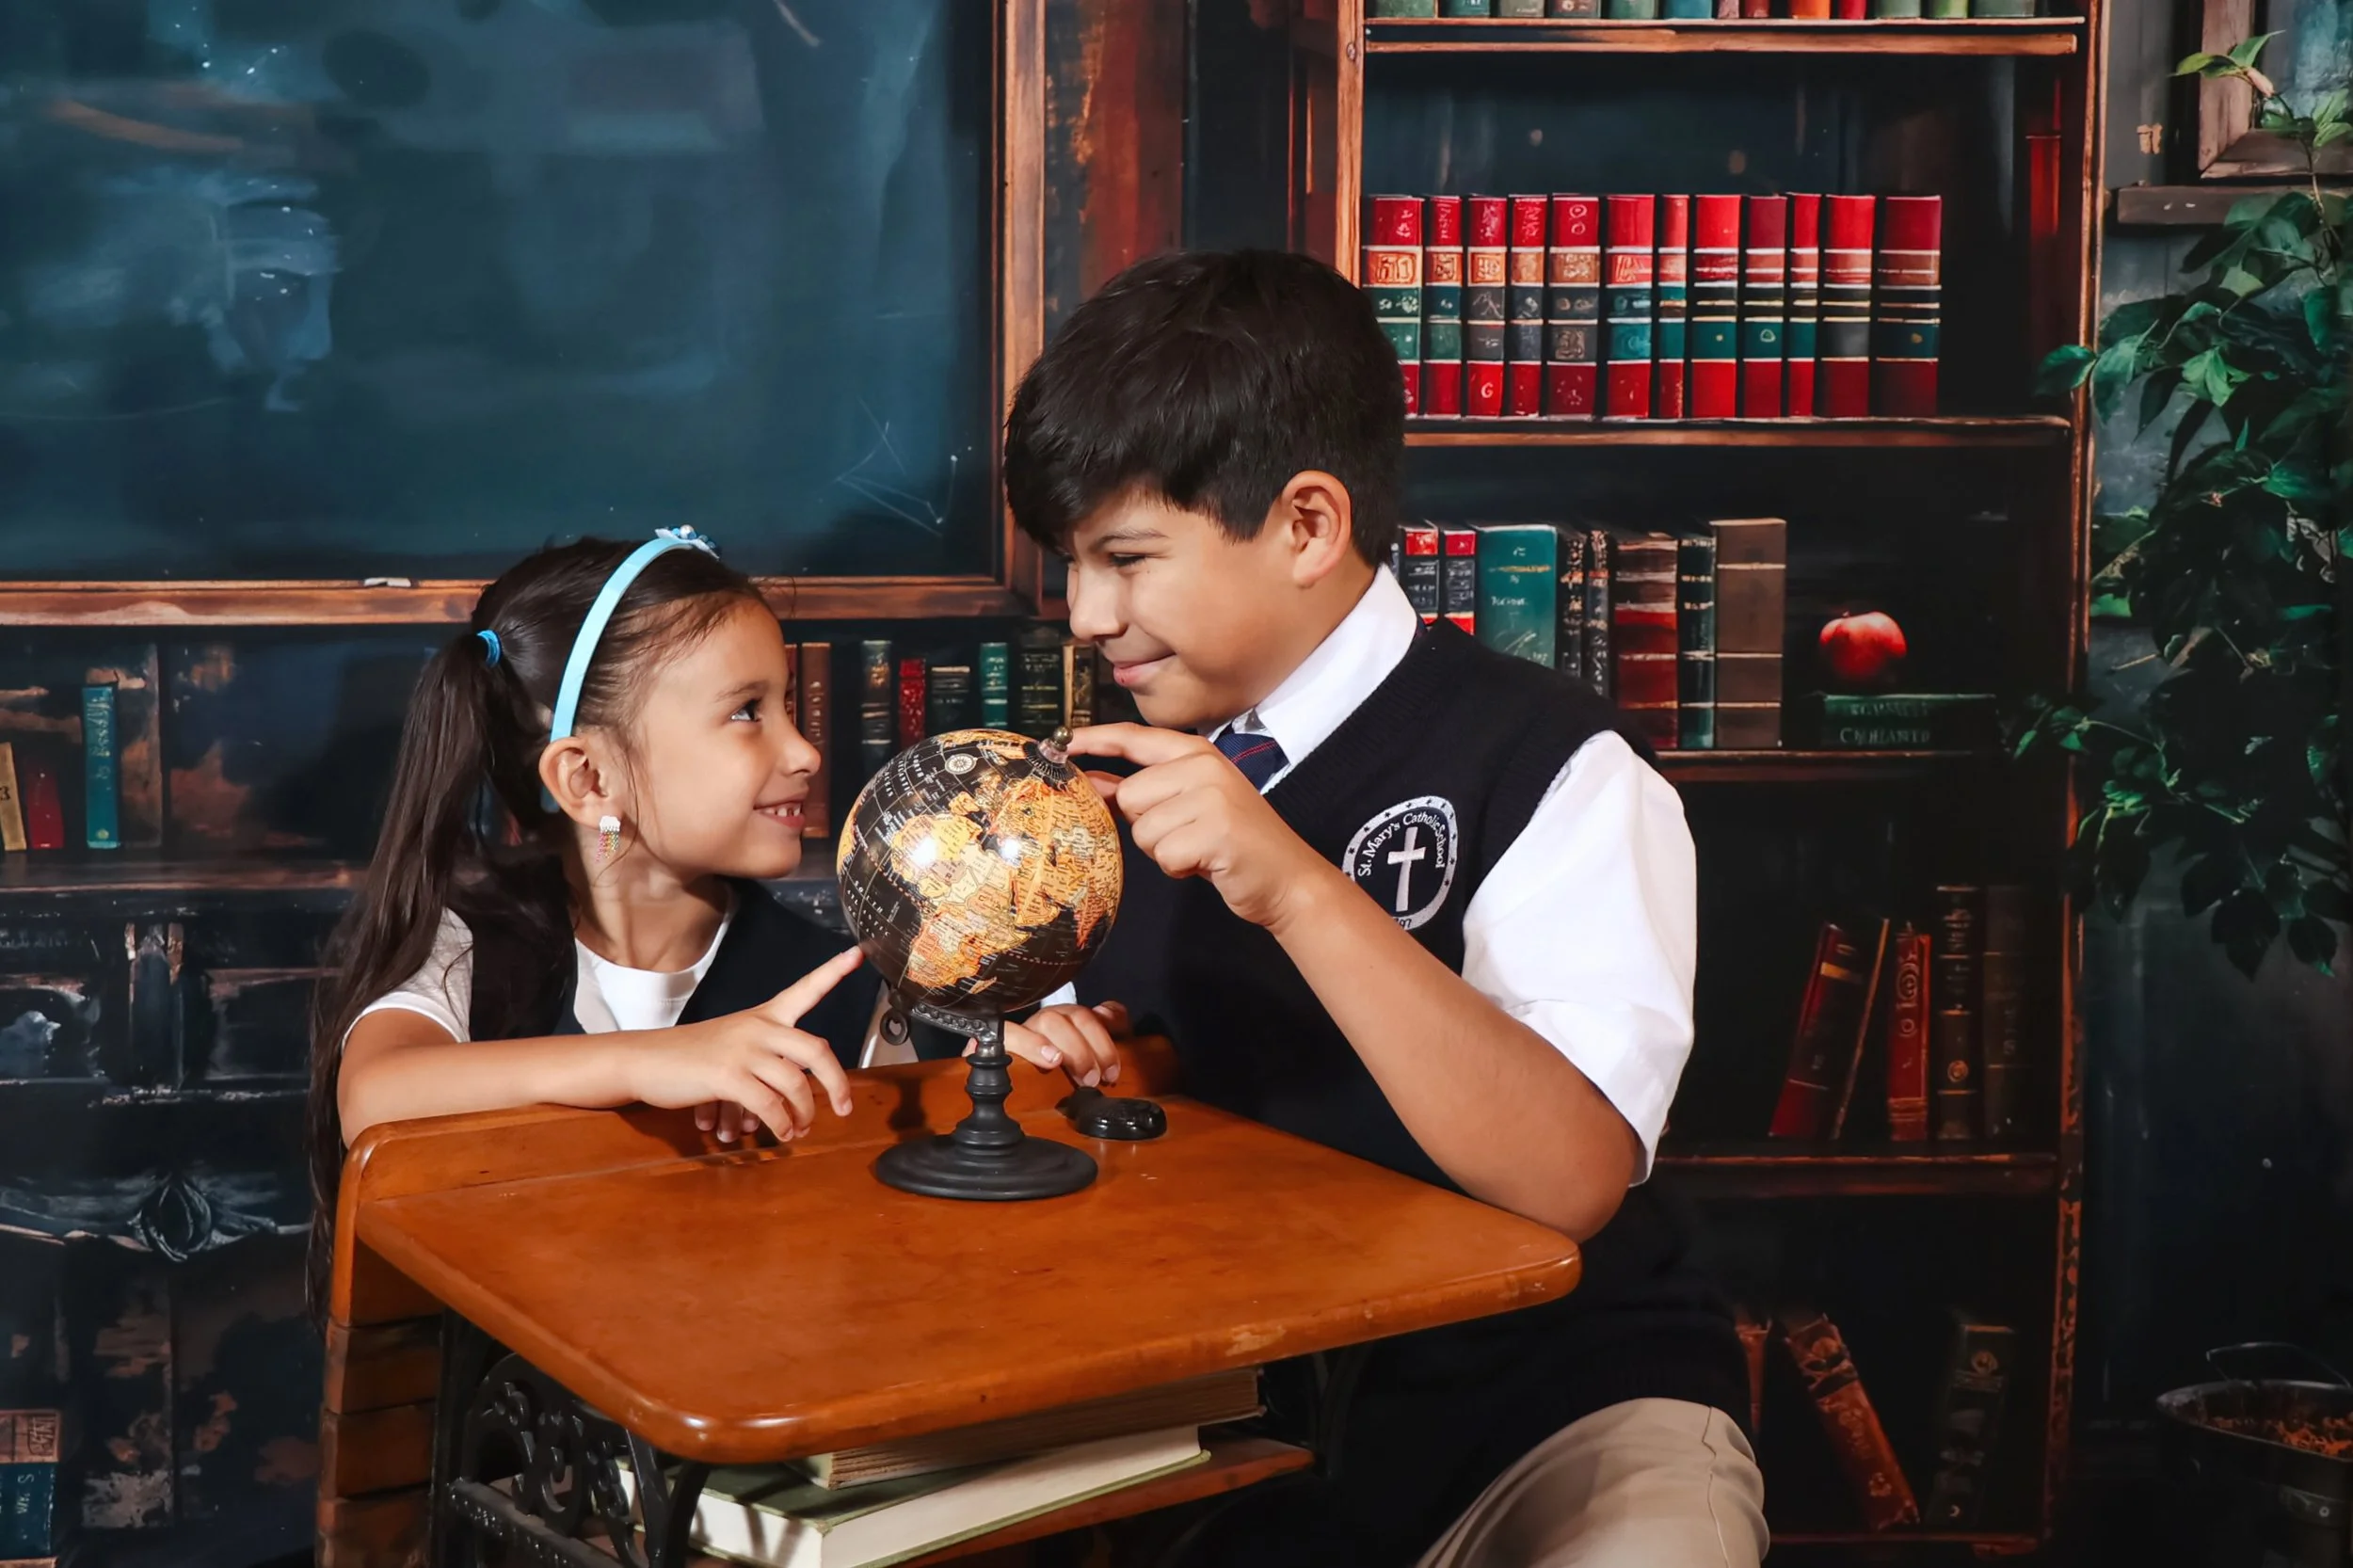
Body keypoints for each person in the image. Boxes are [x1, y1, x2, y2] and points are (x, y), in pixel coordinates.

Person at [1000, 249, 1767, 1568]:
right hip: (1224, 1458)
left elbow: (1571, 1176)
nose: (1086, 616)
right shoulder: (1093, 795)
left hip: (1551, 1425)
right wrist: (1054, 1075)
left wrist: (1296, 884)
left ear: (1307, 525)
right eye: (1074, 565)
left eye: (1126, 558)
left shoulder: (1555, 765)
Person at [301, 531, 1127, 1310]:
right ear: (588, 780)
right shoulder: (466, 946)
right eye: (746, 712)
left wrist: (1025, 1061)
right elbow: (376, 1093)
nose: (805, 752)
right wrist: (660, 1061)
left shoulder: (849, 986)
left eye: (788, 706)